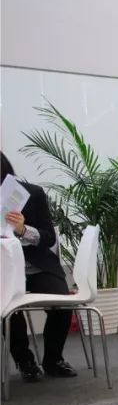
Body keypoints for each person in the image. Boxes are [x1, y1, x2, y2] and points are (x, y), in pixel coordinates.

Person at [1, 152, 76, 381]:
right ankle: (25, 362)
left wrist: (24, 230)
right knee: (7, 310)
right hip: (4, 272)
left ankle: (53, 360)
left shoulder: (32, 193)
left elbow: (48, 237)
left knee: (62, 303)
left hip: (36, 266)